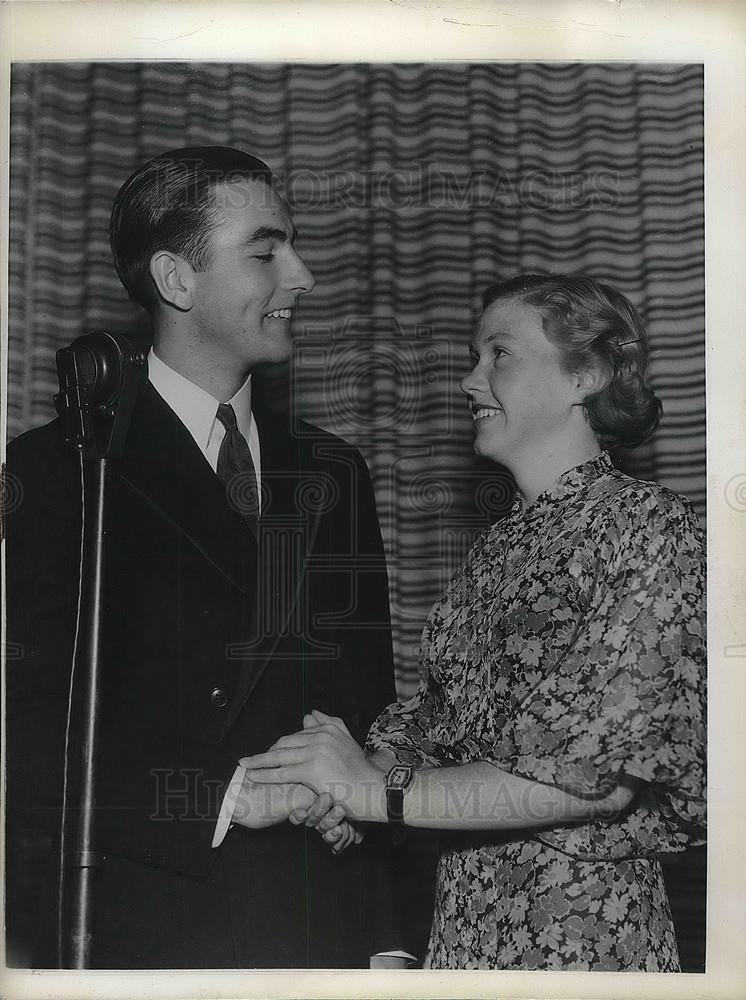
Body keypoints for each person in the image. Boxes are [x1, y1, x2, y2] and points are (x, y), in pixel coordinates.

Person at [4, 146, 411, 969]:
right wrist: (225, 798)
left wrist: (390, 940)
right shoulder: (59, 470)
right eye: (266, 251)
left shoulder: (335, 472)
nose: (302, 275)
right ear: (176, 280)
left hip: (319, 931)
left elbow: (372, 711)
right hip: (142, 934)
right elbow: (27, 731)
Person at [241, 273, 707, 971]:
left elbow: (599, 776)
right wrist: (321, 783)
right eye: (473, 356)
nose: (469, 380)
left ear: (587, 374)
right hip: (462, 930)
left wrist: (372, 791)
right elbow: (426, 735)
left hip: (581, 939)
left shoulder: (647, 528)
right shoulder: (496, 551)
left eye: (499, 355)